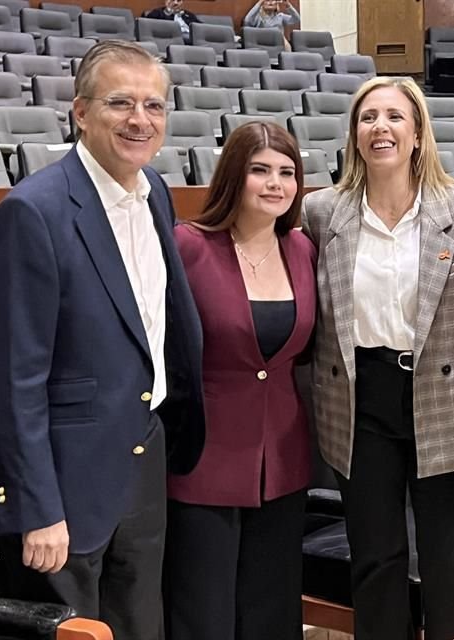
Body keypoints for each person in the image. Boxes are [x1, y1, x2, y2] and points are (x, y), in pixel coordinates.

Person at [0, 40, 205, 638]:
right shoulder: (33, 212)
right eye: (121, 103)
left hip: (142, 458)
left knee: (140, 627)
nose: (140, 120)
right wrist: (36, 508)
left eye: (154, 106)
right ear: (80, 112)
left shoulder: (154, 192)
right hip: (65, 484)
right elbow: (12, 381)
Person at [301, 76, 454, 640]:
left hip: (444, 397)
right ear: (354, 134)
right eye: (368, 117)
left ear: (417, 133)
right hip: (359, 400)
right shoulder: (321, 212)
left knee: (450, 560)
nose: (379, 127)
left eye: (393, 117)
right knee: (375, 556)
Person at [164, 122, 316, 640]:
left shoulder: (302, 249)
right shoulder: (188, 245)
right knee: (202, 613)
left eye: (287, 173)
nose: (275, 183)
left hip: (283, 459)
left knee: (272, 612)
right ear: (234, 174)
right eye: (260, 170)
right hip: (203, 457)